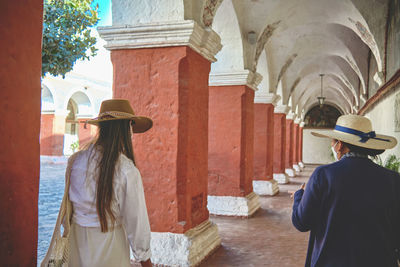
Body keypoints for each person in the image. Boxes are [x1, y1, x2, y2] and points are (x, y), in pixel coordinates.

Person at [292, 114, 400, 267]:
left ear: (340, 145)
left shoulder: (323, 175)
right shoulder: (394, 179)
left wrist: (299, 196)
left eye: (333, 141)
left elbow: (301, 222)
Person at [68, 99, 153, 267]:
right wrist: (146, 261)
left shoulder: (76, 161)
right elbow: (137, 223)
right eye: (131, 127)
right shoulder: (127, 170)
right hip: (110, 247)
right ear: (126, 128)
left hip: (77, 244)